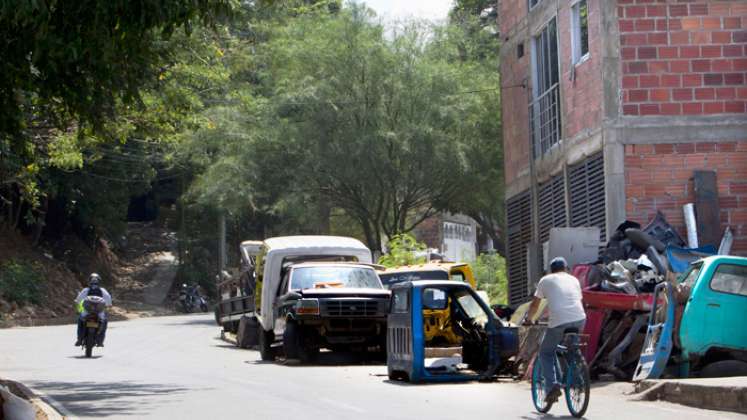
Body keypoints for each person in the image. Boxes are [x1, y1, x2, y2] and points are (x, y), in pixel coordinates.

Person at [524, 257, 586, 404]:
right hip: (580, 318)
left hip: (559, 321)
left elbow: (535, 305)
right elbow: (573, 301)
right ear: (566, 268)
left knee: (546, 352)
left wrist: (529, 319)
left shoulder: (545, 280)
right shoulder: (574, 280)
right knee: (572, 349)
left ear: (551, 270)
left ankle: (552, 387)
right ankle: (579, 381)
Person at [74, 273, 112, 347]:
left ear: (89, 281)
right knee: (104, 322)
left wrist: (77, 309)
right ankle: (100, 341)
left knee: (80, 321)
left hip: (87, 312)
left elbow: (78, 300)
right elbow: (109, 302)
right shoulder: (103, 290)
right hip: (99, 313)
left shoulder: (86, 290)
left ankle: (79, 339)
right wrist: (107, 306)